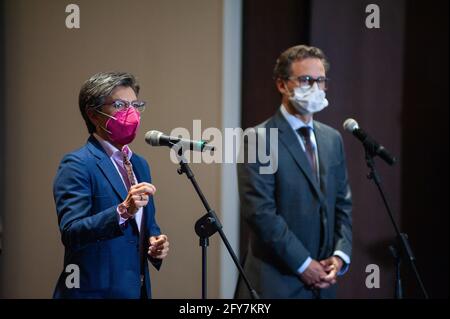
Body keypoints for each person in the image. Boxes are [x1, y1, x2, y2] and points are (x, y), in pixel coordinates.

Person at [236, 45, 352, 299]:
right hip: (276, 284)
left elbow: (343, 204)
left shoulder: (332, 139)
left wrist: (340, 255)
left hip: (324, 283)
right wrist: (304, 264)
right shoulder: (257, 139)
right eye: (305, 80)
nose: (314, 87)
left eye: (320, 80)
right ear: (282, 85)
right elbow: (261, 213)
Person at [53, 72, 169, 299]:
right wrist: (123, 209)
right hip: (94, 293)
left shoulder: (139, 164)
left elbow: (146, 225)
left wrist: (155, 242)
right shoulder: (77, 164)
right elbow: (71, 233)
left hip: (136, 290)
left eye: (135, 105)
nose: (131, 113)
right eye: (119, 105)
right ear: (93, 114)